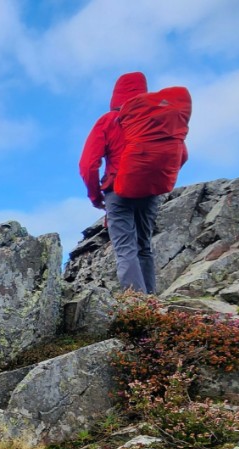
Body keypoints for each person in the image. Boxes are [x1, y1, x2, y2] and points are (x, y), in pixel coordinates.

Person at [79, 71, 165, 295]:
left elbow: (88, 164)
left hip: (118, 190)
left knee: (126, 248)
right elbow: (180, 154)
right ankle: (151, 302)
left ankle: (137, 305)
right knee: (144, 247)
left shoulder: (108, 121)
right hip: (149, 190)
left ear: (116, 94)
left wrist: (96, 197)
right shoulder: (155, 120)